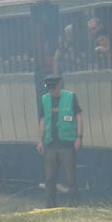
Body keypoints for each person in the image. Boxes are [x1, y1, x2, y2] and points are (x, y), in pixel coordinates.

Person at [36, 74, 81, 207]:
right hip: (50, 144)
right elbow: (43, 121)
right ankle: (50, 205)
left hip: (67, 143)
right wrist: (40, 140)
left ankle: (73, 203)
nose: (51, 92)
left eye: (53, 89)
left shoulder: (70, 96)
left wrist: (79, 137)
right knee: (49, 178)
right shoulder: (45, 99)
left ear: (59, 85)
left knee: (70, 177)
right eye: (49, 89)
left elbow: (78, 116)